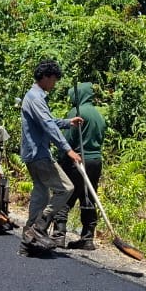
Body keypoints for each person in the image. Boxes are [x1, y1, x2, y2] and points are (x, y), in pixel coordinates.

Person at [18, 59, 82, 254]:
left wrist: (67, 122)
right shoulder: (35, 97)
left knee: (41, 195)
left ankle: (26, 243)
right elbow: (47, 125)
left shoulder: (36, 97)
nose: (54, 84)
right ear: (45, 77)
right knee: (66, 188)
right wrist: (67, 150)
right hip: (39, 154)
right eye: (53, 80)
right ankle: (39, 227)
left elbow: (49, 121)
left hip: (33, 153)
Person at [58, 82, 108, 250]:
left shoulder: (76, 113)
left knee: (66, 196)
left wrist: (61, 159)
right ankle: (87, 237)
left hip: (78, 160)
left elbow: (67, 140)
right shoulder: (98, 114)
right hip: (95, 161)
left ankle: (59, 235)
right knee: (88, 196)